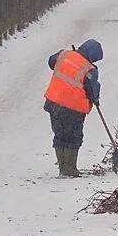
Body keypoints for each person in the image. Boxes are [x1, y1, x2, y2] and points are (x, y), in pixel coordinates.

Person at [43, 39, 103, 177]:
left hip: (54, 102)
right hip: (73, 107)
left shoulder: (63, 54)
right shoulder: (89, 69)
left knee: (60, 134)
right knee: (73, 136)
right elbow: (92, 90)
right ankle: (70, 168)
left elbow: (51, 62)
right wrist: (96, 99)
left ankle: (62, 168)